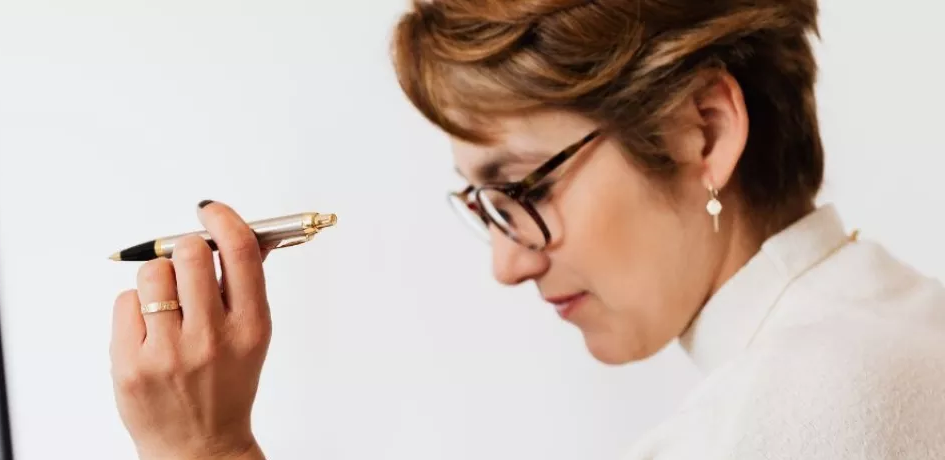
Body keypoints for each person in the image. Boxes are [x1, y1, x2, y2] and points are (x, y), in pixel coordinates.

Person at [107, 0, 945, 458]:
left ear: (704, 130)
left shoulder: (783, 419)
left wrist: (205, 450)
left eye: (518, 187)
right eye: (485, 206)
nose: (508, 264)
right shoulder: (901, 325)